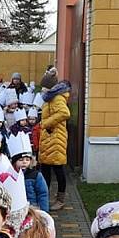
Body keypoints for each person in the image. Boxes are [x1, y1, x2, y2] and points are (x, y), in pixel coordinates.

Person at [39, 80, 71, 212]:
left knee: (58, 169)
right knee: (45, 169)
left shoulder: (57, 98)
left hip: (56, 138)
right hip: (48, 138)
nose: (42, 90)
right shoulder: (50, 98)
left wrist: (46, 123)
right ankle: (45, 198)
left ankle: (60, 199)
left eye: (44, 87)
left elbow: (65, 113)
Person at [7, 134, 49, 212]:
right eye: (21, 160)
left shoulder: (36, 175)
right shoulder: (10, 175)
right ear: (14, 162)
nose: (24, 162)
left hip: (32, 208)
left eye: (27, 160)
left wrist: (44, 211)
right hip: (15, 208)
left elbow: (42, 193)